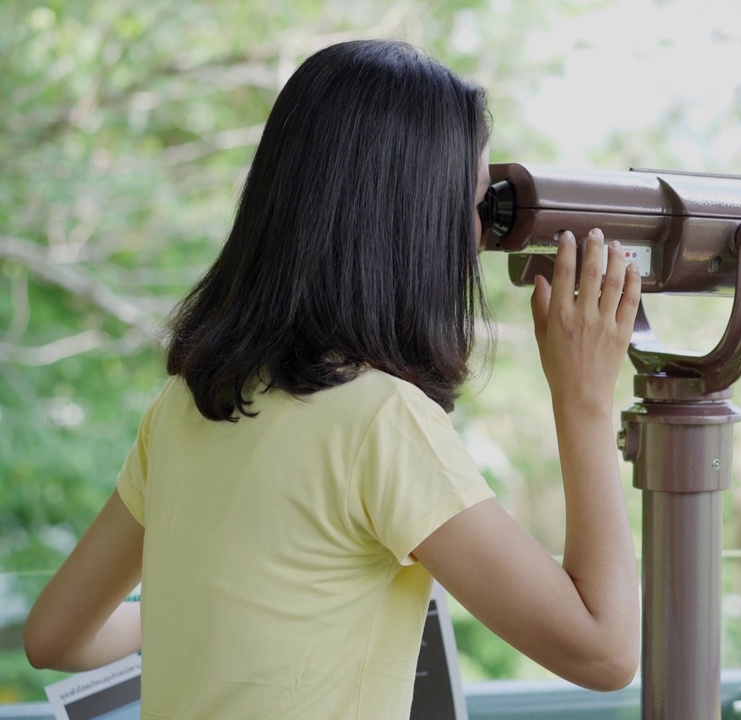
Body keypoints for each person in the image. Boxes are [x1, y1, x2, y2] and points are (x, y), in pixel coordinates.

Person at [23, 39, 642, 718]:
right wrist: (583, 398)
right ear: (412, 224)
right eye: (470, 208)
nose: (476, 240)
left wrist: (196, 610)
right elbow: (603, 652)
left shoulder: (186, 405)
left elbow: (55, 636)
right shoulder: (382, 422)